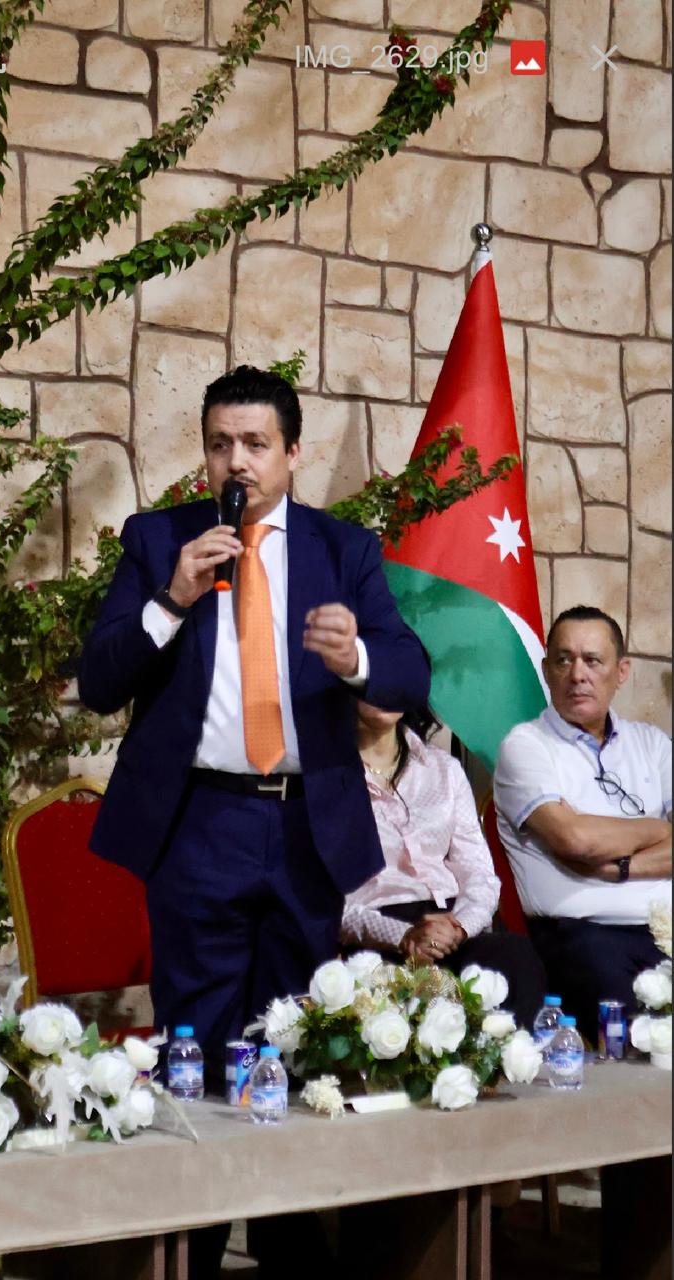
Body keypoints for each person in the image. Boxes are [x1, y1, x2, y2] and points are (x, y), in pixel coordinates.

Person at [79, 365, 429, 1277]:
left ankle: (286, 1242)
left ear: (292, 453)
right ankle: (189, 1248)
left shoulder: (342, 549)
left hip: (305, 824)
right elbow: (98, 680)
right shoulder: (160, 539)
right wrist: (171, 600)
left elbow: (408, 670)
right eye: (219, 444)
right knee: (195, 1043)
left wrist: (355, 659)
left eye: (254, 444)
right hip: (201, 823)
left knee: (293, 1038)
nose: (235, 461)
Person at [494, 605, 671, 1044]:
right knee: (640, 1043)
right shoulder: (526, 746)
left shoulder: (651, 744)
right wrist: (659, 829)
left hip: (662, 931)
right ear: (546, 670)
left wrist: (622, 868)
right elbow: (575, 840)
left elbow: (592, 843)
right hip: (581, 938)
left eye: (593, 660)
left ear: (621, 671)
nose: (578, 675)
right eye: (564, 660)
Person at [342, 699, 546, 1026]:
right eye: (372, 679)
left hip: (451, 925)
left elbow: (480, 875)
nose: (384, 689)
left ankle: (500, 1057)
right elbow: (326, 905)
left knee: (514, 956)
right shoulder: (323, 778)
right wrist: (403, 936)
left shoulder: (443, 769)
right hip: (377, 932)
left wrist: (459, 927)